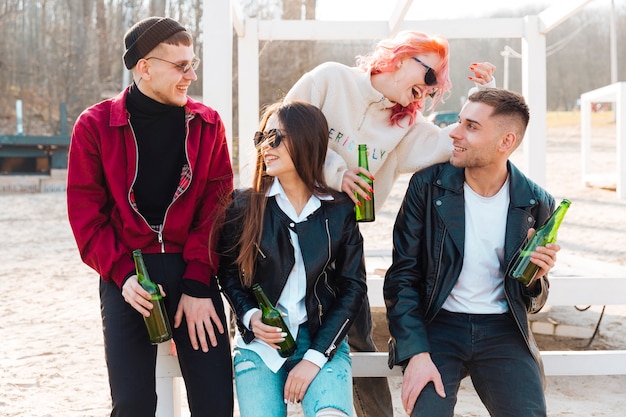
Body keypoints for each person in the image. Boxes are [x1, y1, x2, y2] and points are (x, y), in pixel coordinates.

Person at [283, 30, 495, 417]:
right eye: (430, 77)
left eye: (437, 88)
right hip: (279, 230)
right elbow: (280, 130)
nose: (430, 91)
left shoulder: (407, 127)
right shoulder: (330, 78)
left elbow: (463, 143)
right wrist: (336, 173)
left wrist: (486, 94)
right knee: (267, 330)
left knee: (360, 336)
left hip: (338, 241)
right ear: (399, 58)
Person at [66, 16, 234, 417]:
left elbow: (217, 209)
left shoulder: (207, 125)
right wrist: (123, 276)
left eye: (193, 64)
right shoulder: (94, 126)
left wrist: (196, 284)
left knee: (215, 404)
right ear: (145, 67)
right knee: (133, 404)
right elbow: (86, 218)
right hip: (126, 277)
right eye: (181, 66)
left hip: (194, 270)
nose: (191, 75)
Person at [383, 88, 561, 417]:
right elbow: (402, 277)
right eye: (460, 122)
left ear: (505, 141)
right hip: (438, 325)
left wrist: (535, 280)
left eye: (471, 126)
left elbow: (534, 299)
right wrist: (417, 353)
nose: (455, 132)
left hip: (504, 330)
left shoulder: (537, 203)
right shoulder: (427, 186)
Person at [217, 100, 367, 417]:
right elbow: (228, 275)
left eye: (276, 137)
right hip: (259, 346)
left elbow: (352, 288)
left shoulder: (339, 211)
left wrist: (313, 358)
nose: (265, 147)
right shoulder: (244, 206)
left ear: (305, 140)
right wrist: (250, 318)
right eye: (262, 138)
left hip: (322, 340)